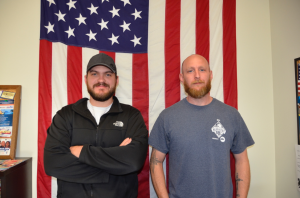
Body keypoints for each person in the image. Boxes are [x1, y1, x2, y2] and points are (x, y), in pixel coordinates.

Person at [149, 54, 254, 198]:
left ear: (211, 75)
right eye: (190, 71)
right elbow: (156, 161)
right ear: (181, 77)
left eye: (202, 70)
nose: (197, 75)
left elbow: (242, 160)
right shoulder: (167, 117)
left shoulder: (231, 115)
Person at [44, 53, 148, 198]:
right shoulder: (65, 115)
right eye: (94, 74)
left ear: (116, 80)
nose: (101, 80)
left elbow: (133, 162)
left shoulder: (131, 116)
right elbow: (53, 164)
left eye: (107, 74)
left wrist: (82, 152)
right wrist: (115, 162)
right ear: (86, 79)